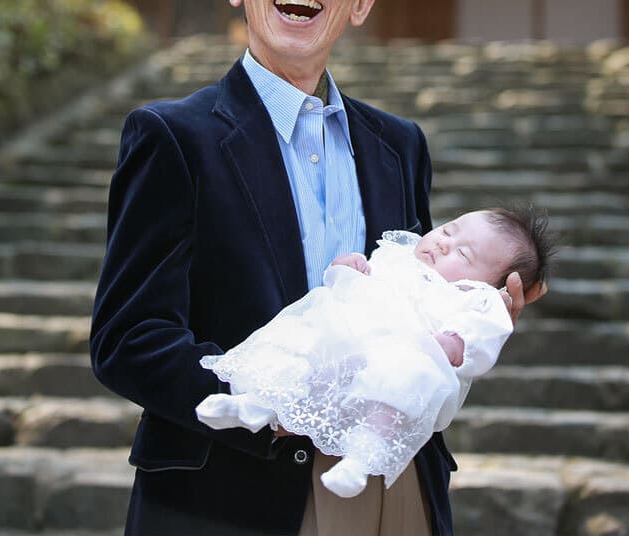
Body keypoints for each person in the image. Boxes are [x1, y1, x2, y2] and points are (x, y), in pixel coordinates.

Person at [90, 0, 545, 536]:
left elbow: (415, 293)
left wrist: (470, 317)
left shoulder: (399, 144)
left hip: (392, 485)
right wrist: (258, 403)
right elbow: (128, 339)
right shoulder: (173, 138)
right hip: (227, 488)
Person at [195, 207, 554, 499]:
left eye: (463, 252)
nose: (445, 244)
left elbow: (483, 336)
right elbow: (345, 288)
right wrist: (345, 269)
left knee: (403, 376)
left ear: (487, 282)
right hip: (342, 335)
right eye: (448, 230)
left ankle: (362, 456)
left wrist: (455, 344)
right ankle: (255, 403)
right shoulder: (397, 256)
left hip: (406, 351)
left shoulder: (475, 299)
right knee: (301, 339)